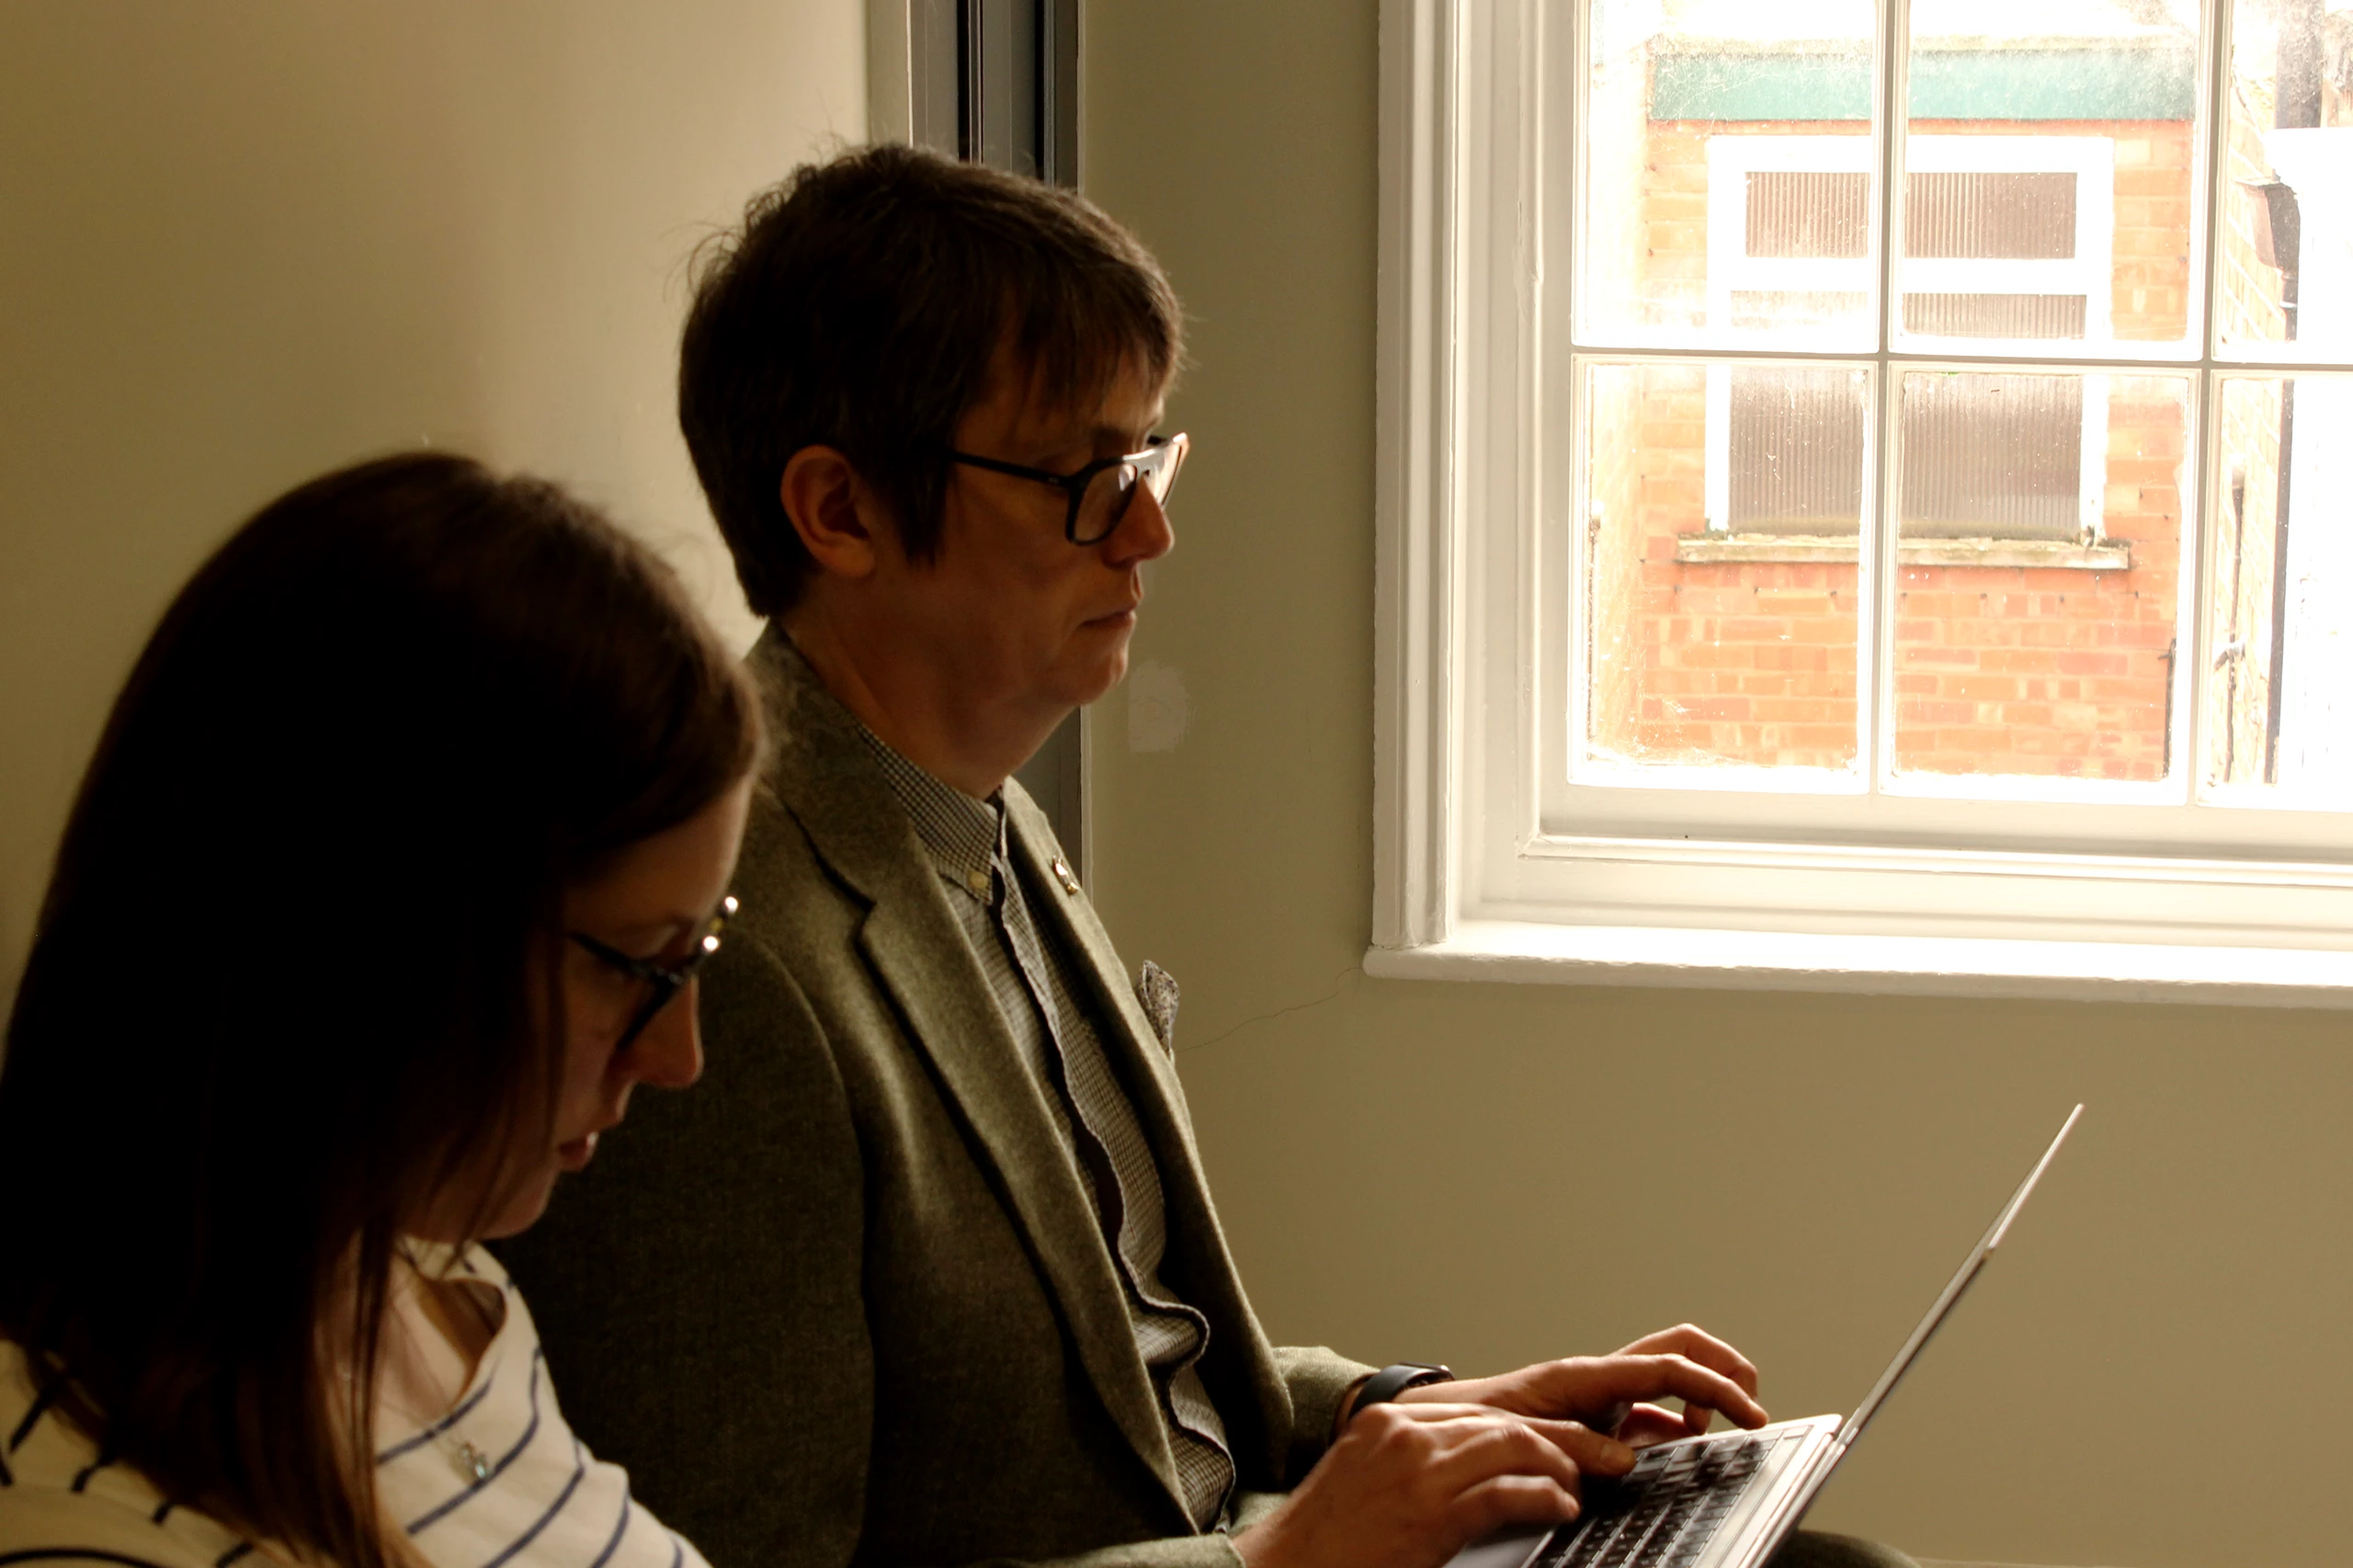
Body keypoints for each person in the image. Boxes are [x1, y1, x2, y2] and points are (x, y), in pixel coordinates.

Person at [504, 146, 1913, 1568]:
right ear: (840, 511)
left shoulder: (987, 822)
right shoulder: (728, 970)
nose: (1151, 529)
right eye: (1084, 476)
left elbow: (1142, 1375)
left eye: (1148, 457)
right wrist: (1282, 1557)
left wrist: (1417, 1410)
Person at [0, 454, 762, 1568]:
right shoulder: (99, 1530)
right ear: (370, 938)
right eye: (637, 963)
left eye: (698, 946)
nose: (678, 1054)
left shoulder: (429, 1284)